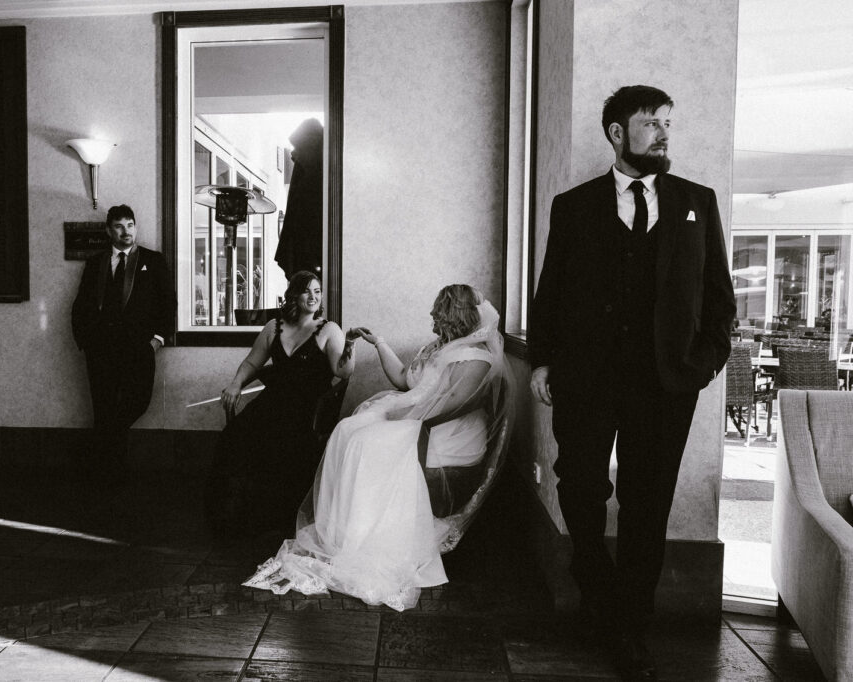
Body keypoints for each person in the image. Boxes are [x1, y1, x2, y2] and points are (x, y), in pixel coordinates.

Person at [528, 86, 735, 681]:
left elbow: (719, 299)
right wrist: (542, 361)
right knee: (580, 488)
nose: (664, 133)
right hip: (587, 379)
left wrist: (704, 363)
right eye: (650, 123)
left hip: (666, 386)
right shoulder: (573, 206)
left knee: (648, 503)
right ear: (617, 133)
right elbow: (551, 291)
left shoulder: (697, 202)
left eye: (668, 122)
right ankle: (596, 584)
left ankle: (630, 627)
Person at [243, 285, 513, 611]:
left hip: (445, 433)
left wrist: (410, 418)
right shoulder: (438, 348)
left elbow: (456, 403)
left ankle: (366, 539)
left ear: (452, 314)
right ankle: (345, 535)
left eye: (437, 311)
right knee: (347, 430)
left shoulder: (476, 356)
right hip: (417, 417)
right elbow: (402, 379)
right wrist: (379, 342)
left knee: (366, 443)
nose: (431, 315)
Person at [205, 271, 356, 537]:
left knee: (281, 442)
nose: (313, 297)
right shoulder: (274, 327)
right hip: (273, 401)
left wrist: (350, 344)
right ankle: (237, 517)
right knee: (235, 436)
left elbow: (343, 371)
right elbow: (252, 362)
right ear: (294, 295)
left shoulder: (329, 329)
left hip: (308, 407)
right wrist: (236, 383)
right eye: (307, 291)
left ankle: (277, 519)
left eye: (317, 291)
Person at [71, 205, 173, 482]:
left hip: (138, 349)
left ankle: (99, 453)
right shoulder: (96, 263)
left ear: (135, 227)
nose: (126, 231)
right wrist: (85, 341)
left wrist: (157, 340)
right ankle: (109, 475)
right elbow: (82, 304)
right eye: (119, 226)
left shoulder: (153, 260)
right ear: (109, 231)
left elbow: (168, 303)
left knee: (137, 401)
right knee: (103, 408)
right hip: (101, 351)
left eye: (130, 225)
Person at [274, 118, 323, 279]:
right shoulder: (312, 167)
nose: (294, 154)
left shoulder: (307, 167)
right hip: (309, 242)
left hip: (307, 243)